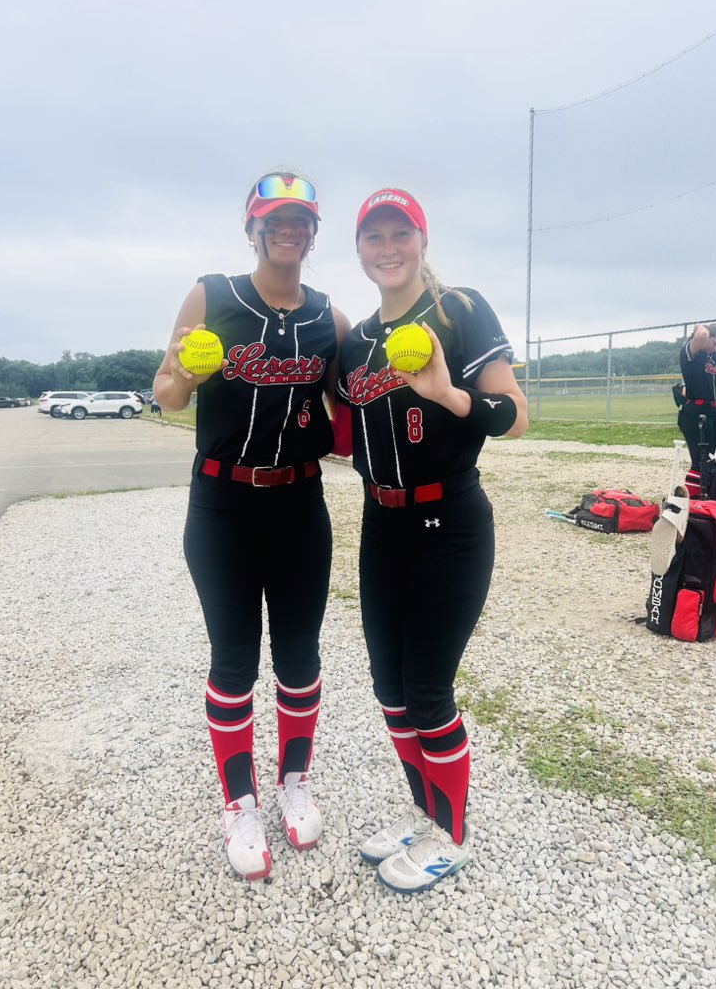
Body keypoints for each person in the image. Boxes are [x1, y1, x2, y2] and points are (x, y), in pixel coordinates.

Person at [154, 171, 350, 881]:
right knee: (234, 658)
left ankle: (295, 780)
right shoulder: (214, 294)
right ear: (253, 229)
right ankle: (238, 801)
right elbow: (167, 395)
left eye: (302, 221)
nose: (290, 231)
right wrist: (182, 371)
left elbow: (353, 401)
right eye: (277, 220)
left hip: (299, 506)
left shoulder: (329, 315)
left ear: (312, 233)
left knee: (299, 656)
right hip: (223, 505)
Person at [336, 188, 528, 894]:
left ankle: (454, 836)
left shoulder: (458, 310)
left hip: (450, 522)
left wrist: (449, 394)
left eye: (400, 233)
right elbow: (339, 426)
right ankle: (426, 814)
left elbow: (514, 416)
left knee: (426, 689)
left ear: (422, 239)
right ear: (358, 250)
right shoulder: (355, 341)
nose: (388, 248)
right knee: (390, 691)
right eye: (373, 237)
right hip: (381, 524)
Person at [678, 322, 716, 497]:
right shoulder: (692, 353)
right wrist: (700, 326)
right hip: (696, 413)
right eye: (715, 343)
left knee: (713, 459)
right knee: (700, 461)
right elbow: (701, 336)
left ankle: (710, 495)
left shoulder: (713, 355)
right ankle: (694, 501)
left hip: (713, 411)